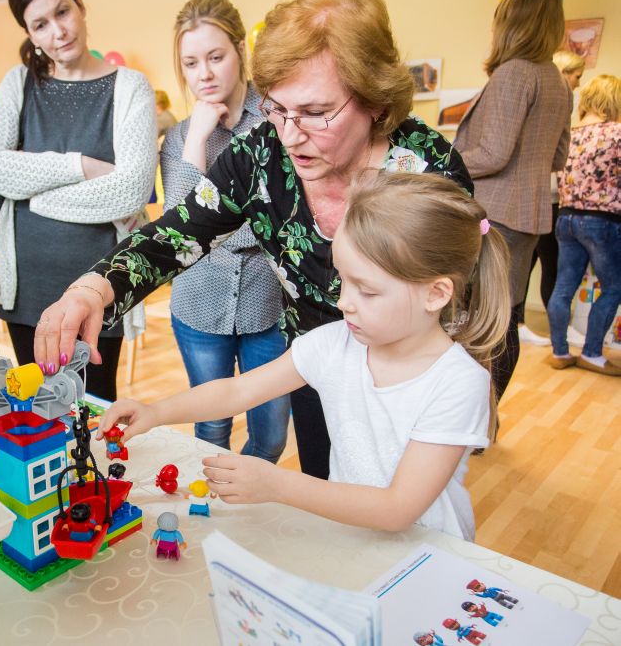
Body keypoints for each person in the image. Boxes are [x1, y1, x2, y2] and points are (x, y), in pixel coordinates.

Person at [35, 0, 472, 479]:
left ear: (375, 100)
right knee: (324, 484)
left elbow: (465, 299)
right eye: (278, 108)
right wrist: (93, 289)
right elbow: (176, 233)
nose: (290, 135)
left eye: (315, 113)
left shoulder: (428, 169)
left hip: (410, 382)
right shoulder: (261, 154)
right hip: (315, 364)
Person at [99, 173, 510, 541]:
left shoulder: (458, 383)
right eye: (342, 281)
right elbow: (238, 391)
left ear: (436, 294)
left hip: (431, 557)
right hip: (350, 539)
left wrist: (278, 485)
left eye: (367, 291)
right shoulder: (334, 344)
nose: (344, 302)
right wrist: (156, 412)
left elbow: (397, 509)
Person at [0, 0, 155, 401]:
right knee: (34, 406)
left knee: (93, 408)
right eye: (40, 24)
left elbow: (131, 190)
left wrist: (33, 196)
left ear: (80, 5)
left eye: (62, 12)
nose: (57, 32)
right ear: (28, 33)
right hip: (26, 284)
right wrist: (81, 166)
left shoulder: (130, 87)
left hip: (100, 283)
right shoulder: (18, 83)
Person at [160, 0, 289, 462]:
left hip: (268, 303)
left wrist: (226, 233)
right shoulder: (179, 138)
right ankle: (213, 503)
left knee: (271, 436)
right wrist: (198, 136)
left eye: (216, 57)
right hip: (199, 304)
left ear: (240, 50)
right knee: (211, 428)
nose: (204, 74)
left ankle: (249, 496)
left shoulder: (278, 119)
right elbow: (179, 233)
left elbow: (283, 215)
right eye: (191, 63)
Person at [453, 0, 570, 402]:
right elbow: (559, 155)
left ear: (512, 24)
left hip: (495, 215)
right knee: (507, 317)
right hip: (530, 215)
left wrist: (445, 157)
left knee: (479, 321)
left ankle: (472, 414)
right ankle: (486, 413)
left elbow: (493, 154)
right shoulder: (557, 80)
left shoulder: (514, 73)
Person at [545, 75, 621, 376]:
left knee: (563, 288)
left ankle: (560, 351)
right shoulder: (616, 133)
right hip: (602, 220)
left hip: (565, 218)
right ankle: (592, 353)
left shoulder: (570, 134)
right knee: (614, 286)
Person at [519, 50, 589, 348]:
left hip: (547, 199)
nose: (578, 82)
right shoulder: (551, 103)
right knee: (538, 264)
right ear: (565, 73)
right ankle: (525, 323)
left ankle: (548, 324)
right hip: (543, 198)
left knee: (542, 264)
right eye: (577, 76)